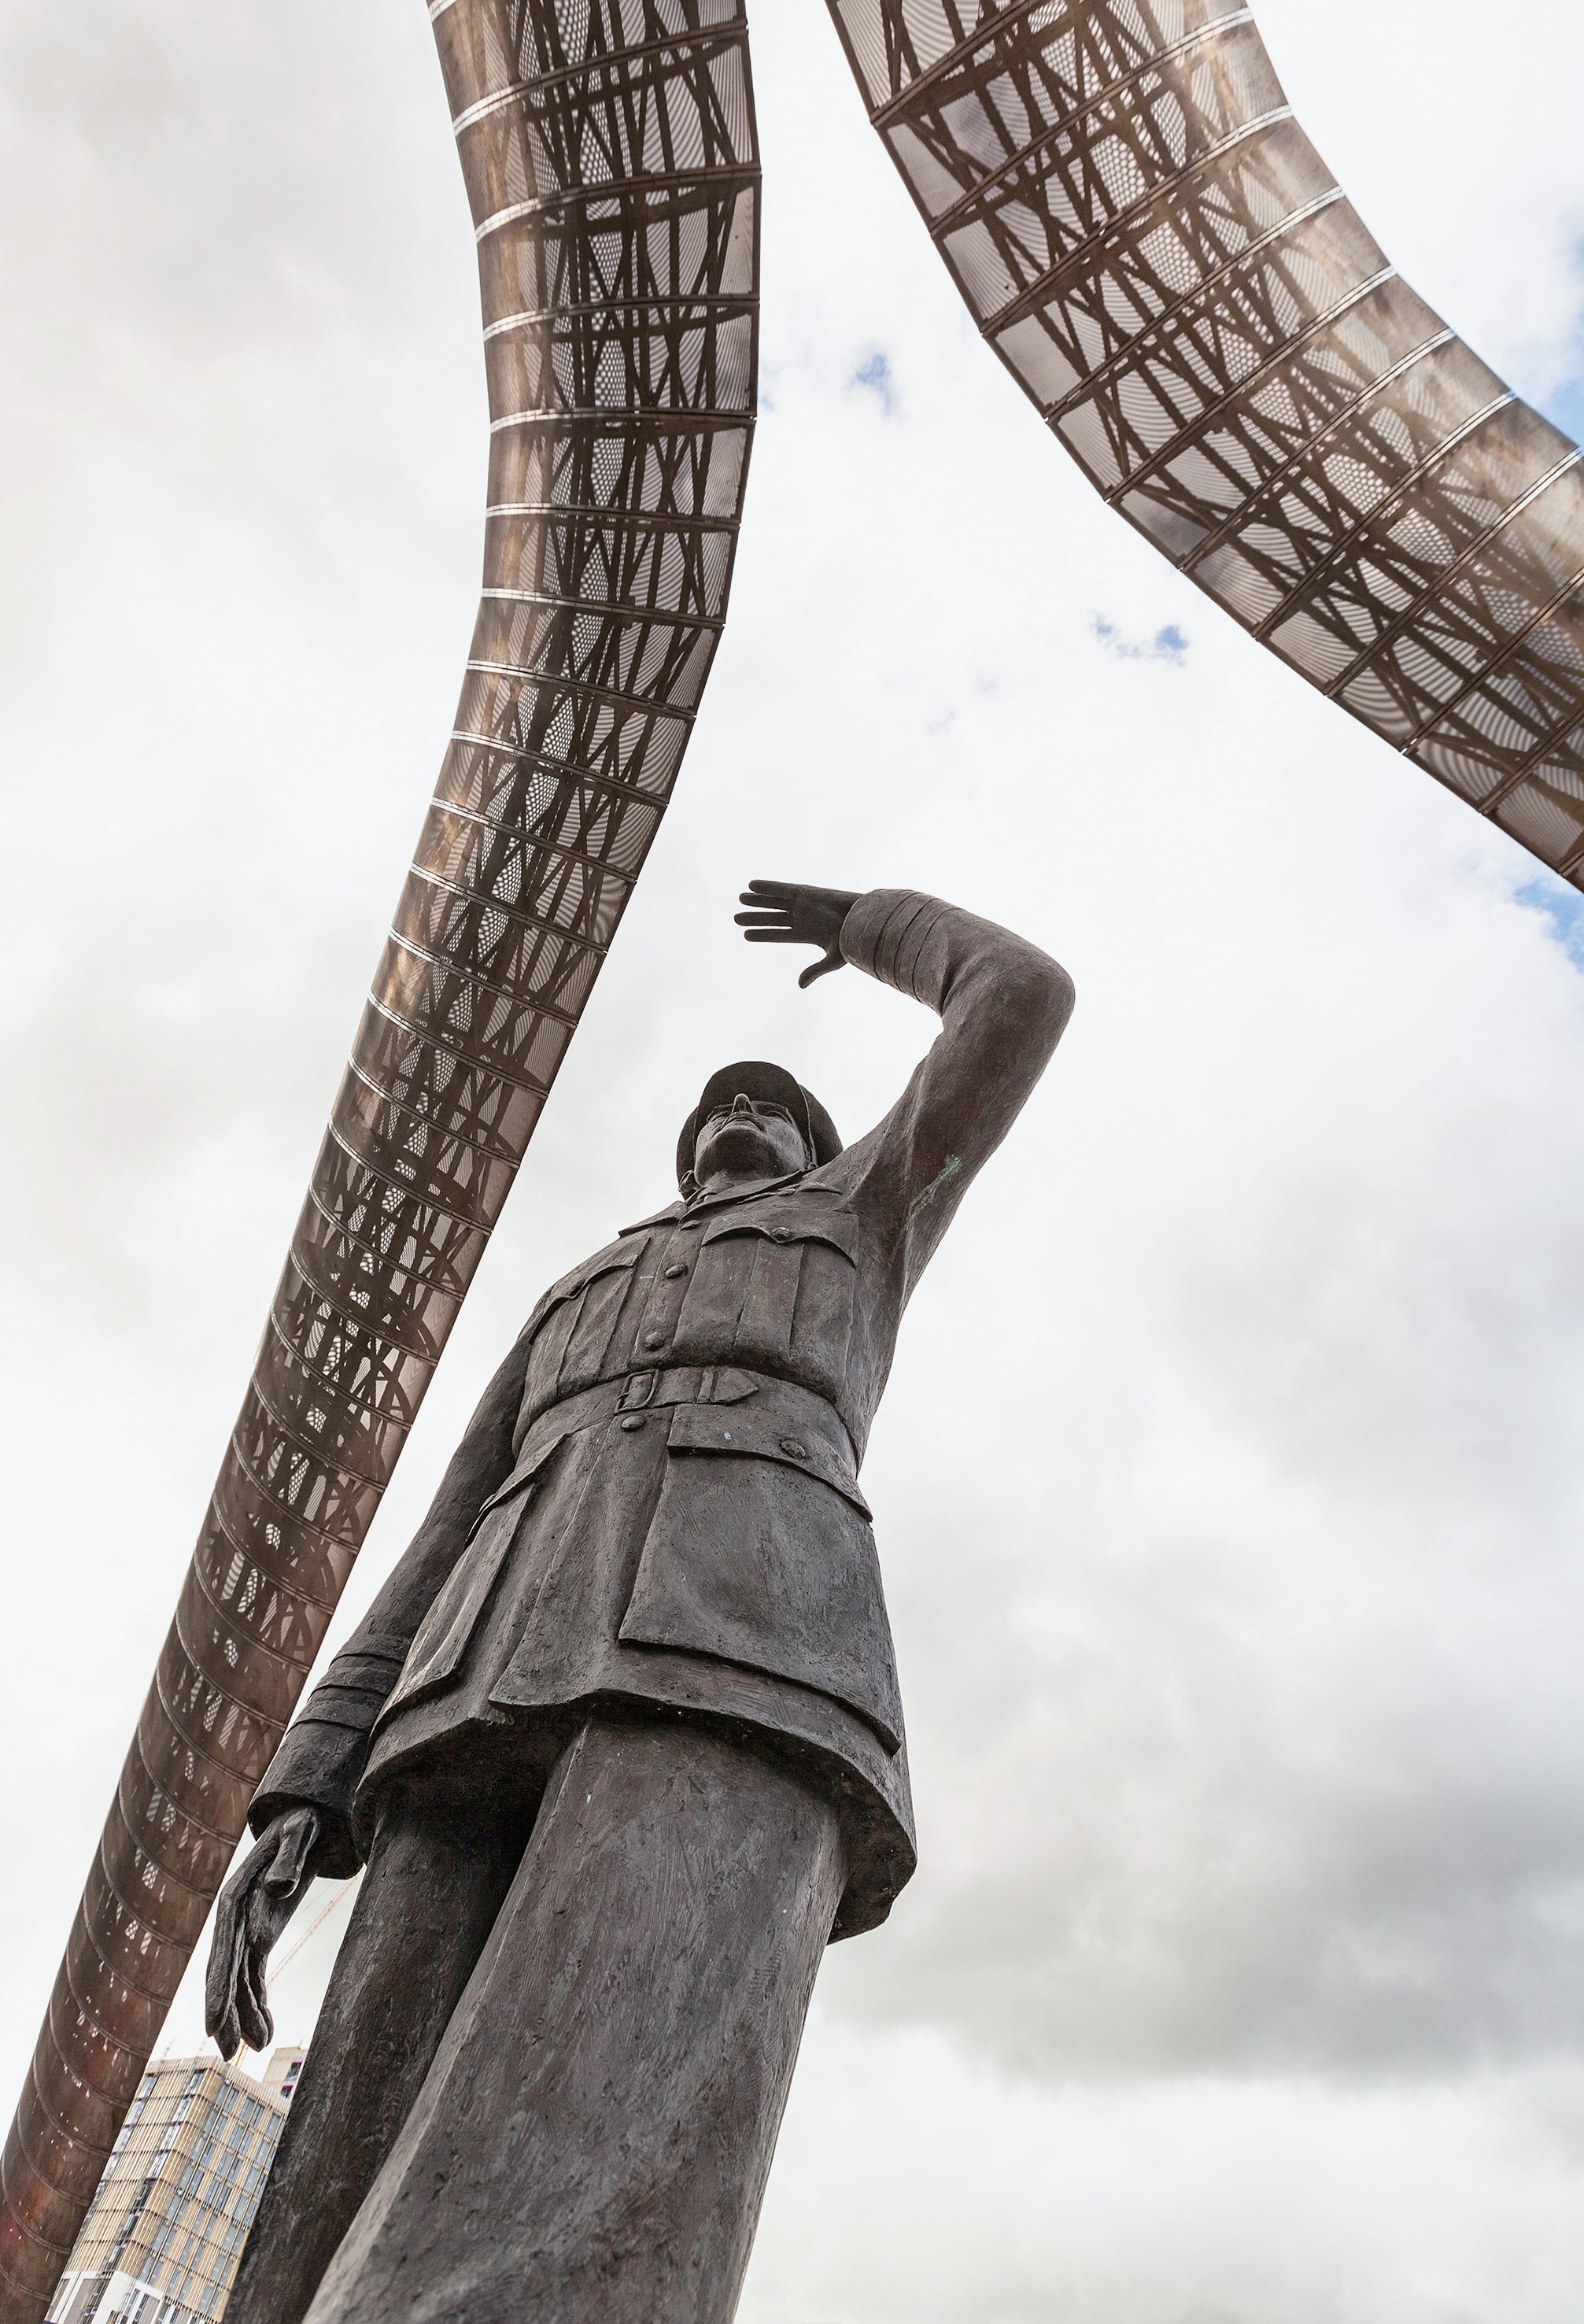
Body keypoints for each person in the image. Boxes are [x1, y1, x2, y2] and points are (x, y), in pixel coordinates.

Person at [207, 878, 1075, 2324]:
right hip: (471, 1678)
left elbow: (1021, 994)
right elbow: (434, 1539)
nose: (738, 1104)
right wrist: (305, 1786)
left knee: (592, 2133)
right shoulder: (573, 1294)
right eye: (715, 1102)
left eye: (769, 1098)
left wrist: (873, 927)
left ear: (811, 1140)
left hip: (743, 1650)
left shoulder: (864, 1208)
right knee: (335, 2162)